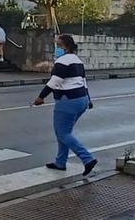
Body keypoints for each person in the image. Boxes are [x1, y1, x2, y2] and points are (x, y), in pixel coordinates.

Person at [33, 34, 97, 175]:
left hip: (67, 101)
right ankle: (60, 162)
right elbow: (83, 81)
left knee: (62, 133)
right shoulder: (77, 60)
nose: (56, 47)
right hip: (81, 100)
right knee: (64, 132)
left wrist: (40, 97)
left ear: (65, 46)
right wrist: (89, 99)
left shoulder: (63, 61)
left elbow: (54, 81)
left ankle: (87, 159)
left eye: (58, 45)